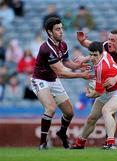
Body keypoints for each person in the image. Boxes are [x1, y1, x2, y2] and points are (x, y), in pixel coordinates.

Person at [30, 17, 91, 150]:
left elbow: (66, 62)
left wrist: (78, 66)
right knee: (51, 108)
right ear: (49, 32)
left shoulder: (63, 44)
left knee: (69, 113)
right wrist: (81, 74)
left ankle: (62, 133)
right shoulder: (46, 49)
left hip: (53, 79)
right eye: (58, 29)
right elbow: (61, 72)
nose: (61, 31)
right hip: (40, 80)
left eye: (62, 28)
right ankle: (42, 143)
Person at [71, 41, 117, 150]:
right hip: (107, 90)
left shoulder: (102, 67)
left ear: (101, 54)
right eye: (90, 54)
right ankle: (79, 144)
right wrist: (85, 58)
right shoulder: (103, 54)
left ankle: (110, 144)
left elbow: (97, 93)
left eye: (95, 55)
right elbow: (94, 54)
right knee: (92, 118)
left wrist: (88, 95)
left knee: (106, 110)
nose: (92, 58)